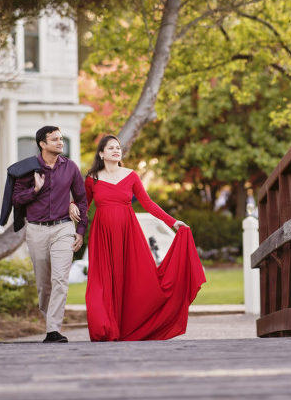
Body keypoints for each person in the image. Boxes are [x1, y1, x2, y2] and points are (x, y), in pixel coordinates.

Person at [83, 134, 205, 341]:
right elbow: (83, 208)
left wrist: (173, 222)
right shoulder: (91, 179)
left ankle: (129, 327)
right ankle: (104, 327)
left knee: (132, 281)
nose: (116, 150)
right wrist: (75, 230)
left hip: (128, 236)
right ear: (101, 153)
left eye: (118, 147)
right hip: (101, 238)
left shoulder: (131, 176)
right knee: (100, 284)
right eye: (111, 147)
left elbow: (148, 204)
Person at [12, 126, 88, 343]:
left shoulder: (71, 167)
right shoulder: (28, 169)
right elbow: (16, 200)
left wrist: (80, 231)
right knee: (44, 284)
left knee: (60, 280)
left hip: (64, 228)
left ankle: (53, 329)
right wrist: (34, 190)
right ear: (42, 144)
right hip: (36, 230)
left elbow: (82, 200)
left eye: (61, 139)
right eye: (54, 139)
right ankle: (50, 319)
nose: (60, 142)